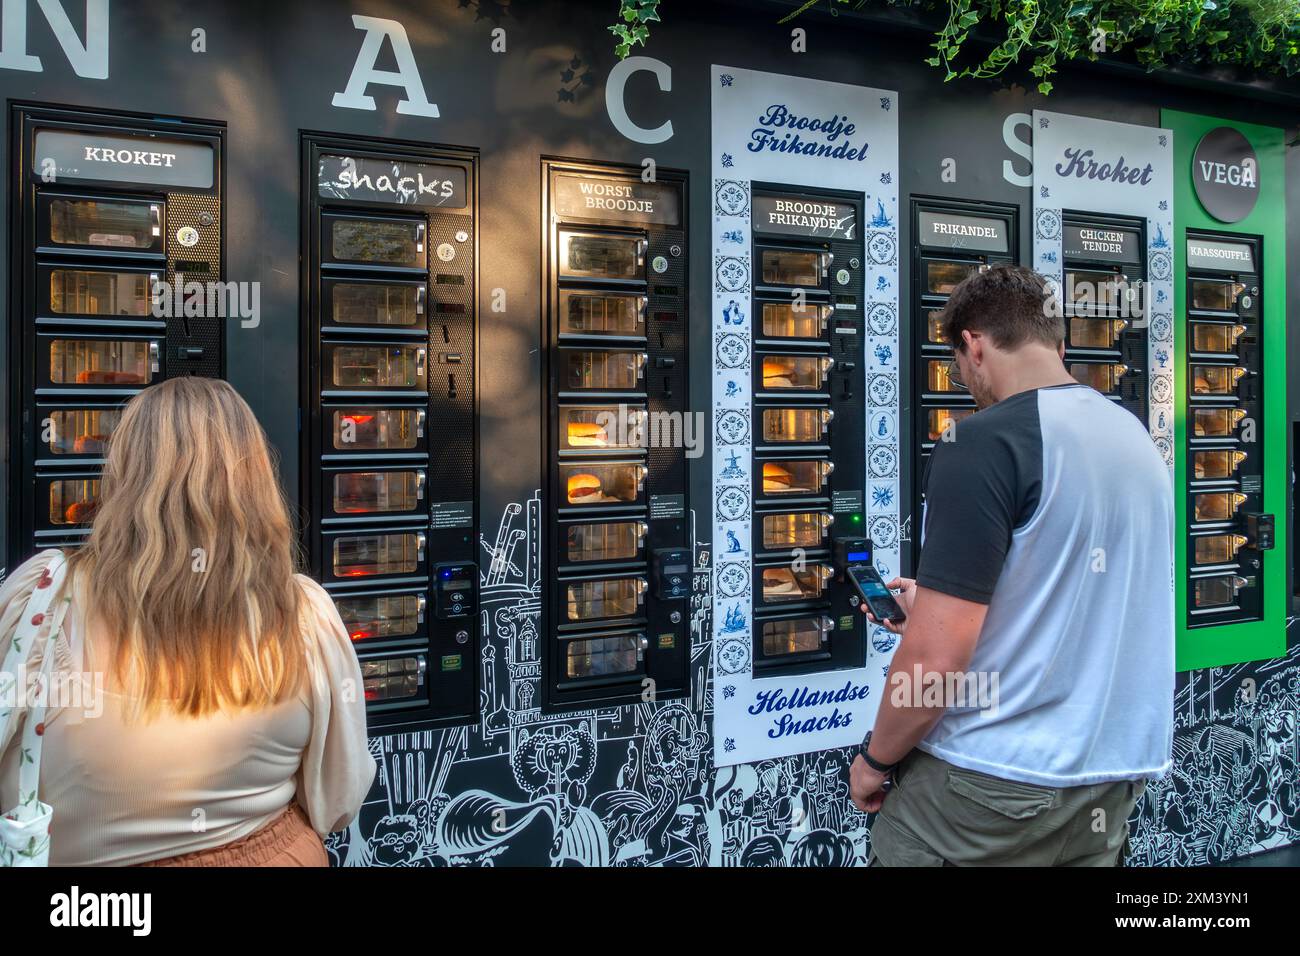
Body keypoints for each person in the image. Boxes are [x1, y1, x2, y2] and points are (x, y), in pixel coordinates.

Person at [850, 264, 1174, 866]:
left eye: (957, 361)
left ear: (973, 344)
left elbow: (937, 661)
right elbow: (1071, 591)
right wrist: (933, 609)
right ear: (1059, 342)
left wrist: (876, 760)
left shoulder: (982, 443)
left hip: (985, 785)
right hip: (1106, 783)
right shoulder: (1134, 439)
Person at [0, 377, 375, 866]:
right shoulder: (304, 614)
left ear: (123, 472)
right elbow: (338, 801)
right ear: (254, 478)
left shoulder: (45, 596)